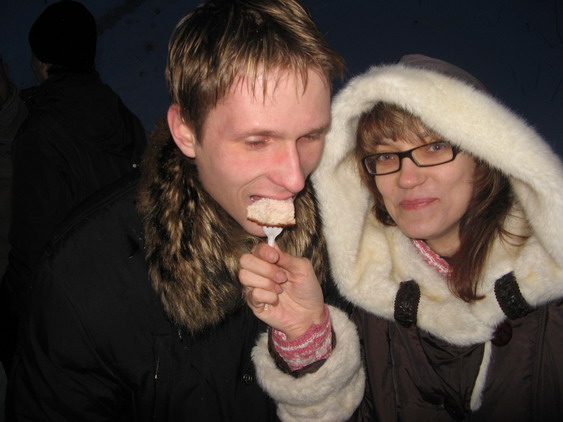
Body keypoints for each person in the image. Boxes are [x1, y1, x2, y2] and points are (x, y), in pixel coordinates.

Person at [5, 0, 358, 420]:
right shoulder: (81, 280)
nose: (295, 178)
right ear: (186, 132)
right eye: (257, 141)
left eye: (310, 136)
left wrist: (307, 342)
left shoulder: (341, 232)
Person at [241, 54, 563, 421]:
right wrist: (305, 334)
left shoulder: (552, 284)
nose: (407, 178)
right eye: (384, 157)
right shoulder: (367, 294)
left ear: (483, 156)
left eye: (435, 147)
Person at [0, 0, 147, 373]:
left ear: (42, 61)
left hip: (67, 322)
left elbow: (33, 249)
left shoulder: (42, 136)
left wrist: (8, 317)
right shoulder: (121, 115)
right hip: (122, 305)